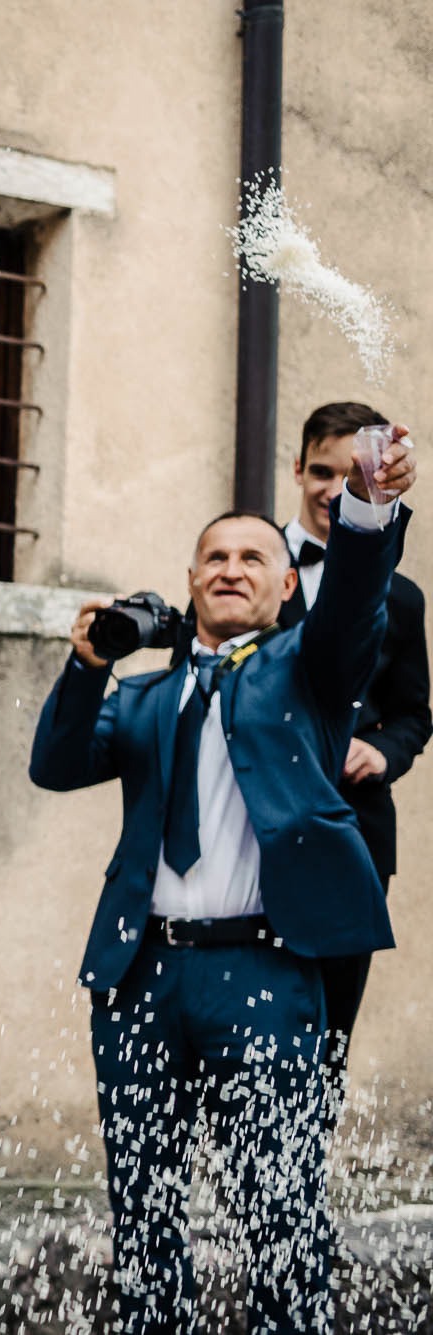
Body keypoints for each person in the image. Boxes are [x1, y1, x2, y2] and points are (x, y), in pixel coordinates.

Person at [29, 429, 415, 1335]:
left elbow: (357, 600)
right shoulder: (146, 698)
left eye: (255, 556)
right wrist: (88, 666)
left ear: (287, 585)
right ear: (192, 580)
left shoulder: (309, 671)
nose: (231, 568)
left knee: (278, 1212)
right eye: (214, 557)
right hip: (141, 980)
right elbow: (54, 763)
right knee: (145, 1213)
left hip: (268, 974)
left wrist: (366, 509)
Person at [280, 401, 431, 1092]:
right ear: (297, 468)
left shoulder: (401, 597)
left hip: (358, 829)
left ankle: (302, 1184)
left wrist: (383, 753)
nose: (332, 487)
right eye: (320, 470)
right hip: (259, 825)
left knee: (329, 1033)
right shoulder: (238, 562)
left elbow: (412, 714)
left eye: (350, 473)